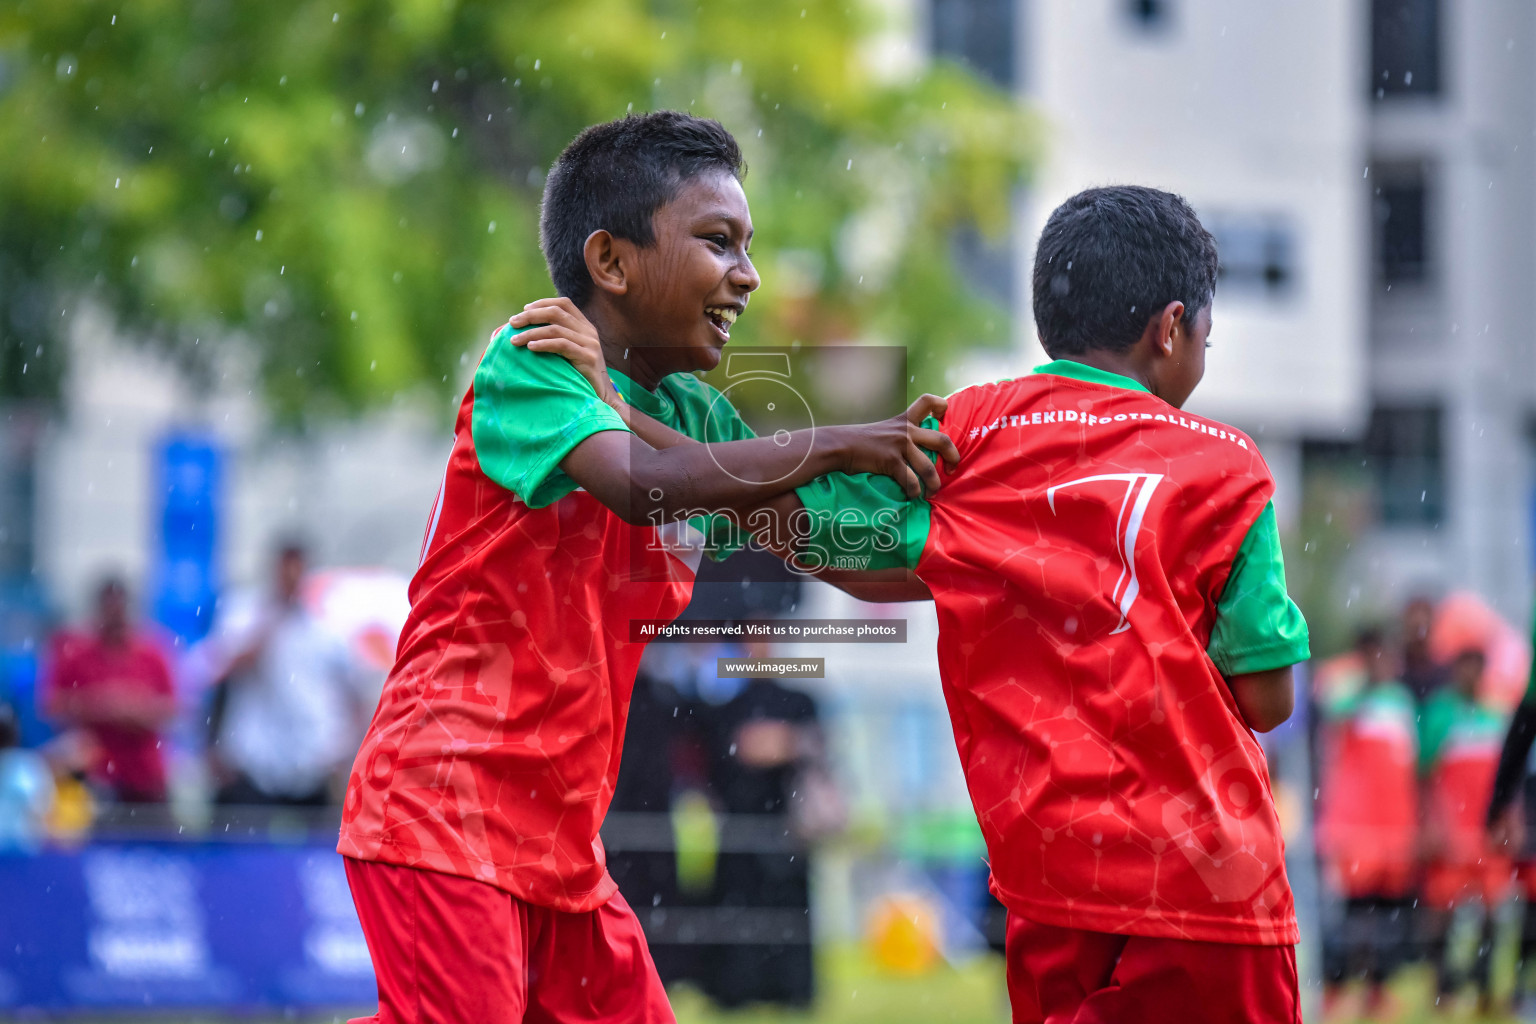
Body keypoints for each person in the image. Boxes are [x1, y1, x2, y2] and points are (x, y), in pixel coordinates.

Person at [548, 185, 1312, 1021]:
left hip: (1049, 885)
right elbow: (1267, 699)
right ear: (1172, 328)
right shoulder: (1226, 464)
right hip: (1207, 889)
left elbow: (828, 544)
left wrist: (620, 413)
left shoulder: (977, 431)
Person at [337, 111, 957, 1024]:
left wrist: (1012, 516)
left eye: (748, 247)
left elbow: (851, 555)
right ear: (611, 262)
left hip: (560, 849)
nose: (746, 275)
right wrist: (834, 440)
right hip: (443, 807)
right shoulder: (534, 359)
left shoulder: (696, 415)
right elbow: (645, 487)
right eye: (718, 242)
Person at [1314, 627, 1418, 1019]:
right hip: (1353, 831)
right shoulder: (1342, 688)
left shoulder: (1402, 701)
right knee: (1350, 917)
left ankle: (1378, 992)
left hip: (1394, 831)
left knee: (1388, 915)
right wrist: (1364, 687)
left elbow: (1411, 766)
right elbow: (1333, 716)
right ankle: (1334, 990)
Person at [207, 541, 361, 806]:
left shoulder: (326, 626)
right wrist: (273, 618)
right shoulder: (245, 613)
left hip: (312, 763)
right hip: (255, 762)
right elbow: (224, 669)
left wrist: (346, 752)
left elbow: (351, 693)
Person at [1420, 647, 1511, 1011]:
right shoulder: (1440, 715)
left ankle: (1485, 989)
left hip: (1488, 835)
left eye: (1477, 667)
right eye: (1465, 667)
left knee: (1493, 913)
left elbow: (1508, 780)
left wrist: (1510, 820)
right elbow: (1424, 777)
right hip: (1451, 834)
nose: (1471, 675)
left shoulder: (1496, 715)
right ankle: (1443, 987)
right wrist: (1431, 825)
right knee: (1442, 913)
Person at [42, 576, 177, 804]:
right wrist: (101, 705)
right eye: (109, 608)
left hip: (144, 776)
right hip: (91, 777)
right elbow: (52, 705)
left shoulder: (153, 653)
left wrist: (135, 709)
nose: (115, 615)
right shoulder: (74, 653)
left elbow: (172, 708)